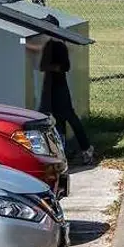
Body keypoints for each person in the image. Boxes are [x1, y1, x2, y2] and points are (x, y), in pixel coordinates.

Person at [38, 14, 95, 164]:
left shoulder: (57, 45)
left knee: (69, 116)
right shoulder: (50, 44)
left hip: (58, 87)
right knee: (58, 120)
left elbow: (63, 66)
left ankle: (86, 147)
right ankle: (63, 149)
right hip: (51, 86)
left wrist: (50, 67)